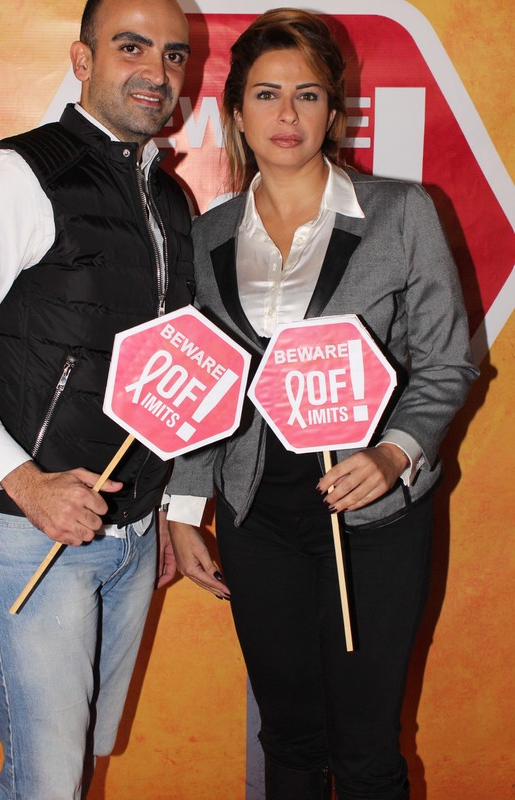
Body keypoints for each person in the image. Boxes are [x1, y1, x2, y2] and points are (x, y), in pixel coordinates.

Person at [166, 9, 478, 800]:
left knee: (367, 748)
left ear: (333, 110)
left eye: (307, 94)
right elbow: (207, 377)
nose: (287, 114)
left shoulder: (400, 213)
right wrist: (185, 507)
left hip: (372, 515)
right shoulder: (209, 235)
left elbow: (447, 360)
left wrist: (395, 453)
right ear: (236, 111)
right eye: (266, 94)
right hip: (256, 515)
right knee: (289, 739)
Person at [0, 0, 193, 796]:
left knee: (77, 765)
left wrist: (159, 506)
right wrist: (25, 483)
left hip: (130, 534)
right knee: (46, 781)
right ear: (82, 59)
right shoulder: (20, 175)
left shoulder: (168, 198)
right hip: (29, 531)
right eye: (131, 47)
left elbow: (157, 371)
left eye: (174, 54)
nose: (156, 71)